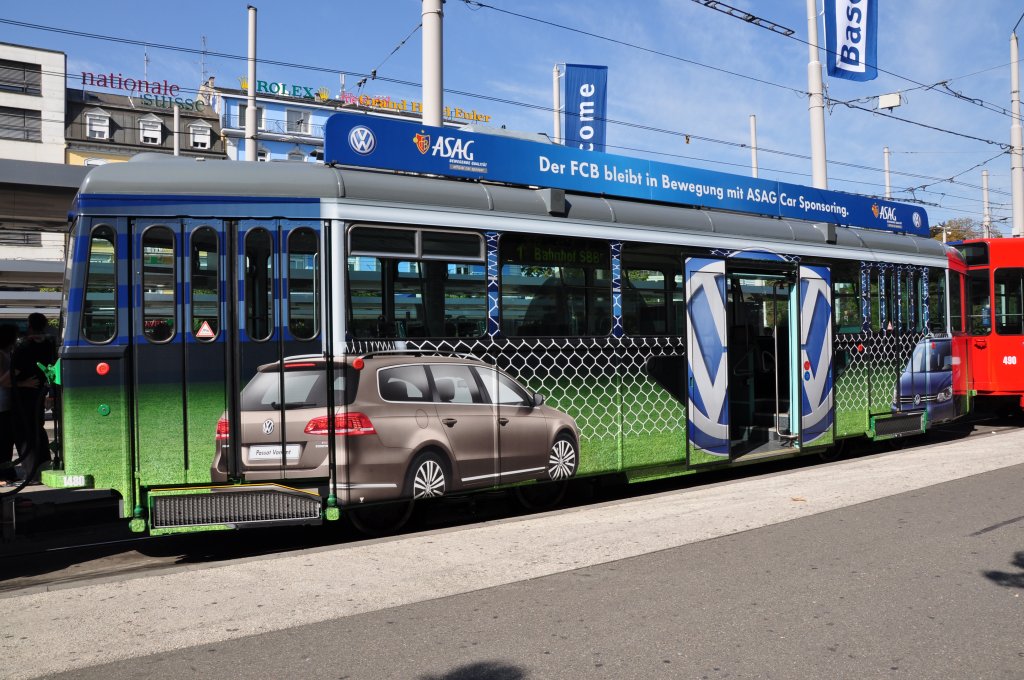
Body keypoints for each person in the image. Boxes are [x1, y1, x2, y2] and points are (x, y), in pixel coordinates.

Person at [11, 313, 57, 482]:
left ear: (29, 325)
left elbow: (12, 375)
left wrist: (21, 383)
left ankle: (31, 472)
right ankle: (44, 466)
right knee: (38, 429)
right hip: (40, 392)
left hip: (23, 396)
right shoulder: (49, 344)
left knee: (24, 434)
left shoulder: (24, 347)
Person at [0, 324, 19, 486]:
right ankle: (3, 474)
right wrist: (17, 372)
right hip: (2, 405)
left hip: (6, 404)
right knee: (3, 441)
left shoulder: (6, 353)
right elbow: (4, 381)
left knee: (7, 442)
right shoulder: (1, 354)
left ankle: (8, 472)